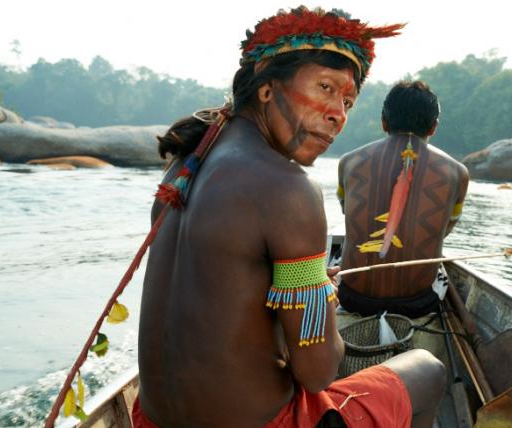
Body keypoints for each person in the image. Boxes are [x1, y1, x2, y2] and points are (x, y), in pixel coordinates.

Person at [136, 7, 446, 428]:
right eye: (325, 87)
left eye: (348, 100)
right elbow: (317, 373)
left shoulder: (186, 165)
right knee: (428, 368)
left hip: (151, 420)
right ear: (266, 86)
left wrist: (308, 286)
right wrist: (320, 290)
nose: (339, 113)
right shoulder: (287, 189)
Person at [336, 80, 470, 318]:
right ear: (434, 127)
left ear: (384, 122)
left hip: (353, 297)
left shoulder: (349, 162)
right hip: (417, 302)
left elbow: (349, 213)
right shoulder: (457, 173)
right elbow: (445, 230)